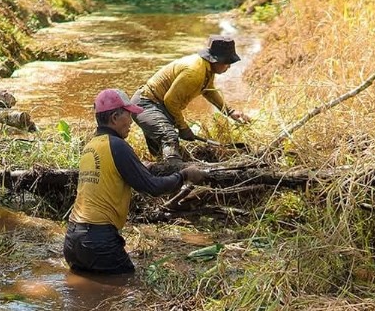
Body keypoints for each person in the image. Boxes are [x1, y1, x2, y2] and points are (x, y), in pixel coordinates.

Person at [64, 88, 207, 275]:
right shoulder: (117, 145)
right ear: (115, 117)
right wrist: (184, 175)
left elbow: (110, 177)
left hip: (72, 240)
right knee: (128, 285)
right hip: (98, 241)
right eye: (128, 115)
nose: (131, 122)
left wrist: (139, 169)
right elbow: (153, 187)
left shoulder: (91, 146)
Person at [132, 35, 250, 163]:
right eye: (227, 63)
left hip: (159, 106)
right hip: (146, 104)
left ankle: (161, 170)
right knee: (169, 136)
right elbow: (171, 101)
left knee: (161, 151)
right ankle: (176, 172)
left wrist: (230, 112)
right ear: (216, 60)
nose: (229, 67)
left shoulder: (207, 68)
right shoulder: (194, 72)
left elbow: (209, 91)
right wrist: (183, 127)